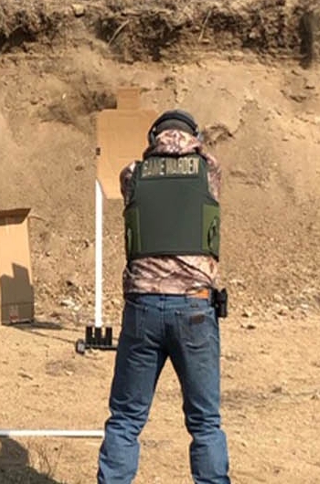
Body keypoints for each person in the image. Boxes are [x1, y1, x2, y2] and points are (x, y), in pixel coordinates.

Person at [97, 109, 228, 484]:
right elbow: (204, 167)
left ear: (154, 136)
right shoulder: (209, 170)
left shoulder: (133, 174)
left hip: (143, 308)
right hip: (195, 307)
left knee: (125, 420)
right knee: (205, 423)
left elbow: (139, 185)